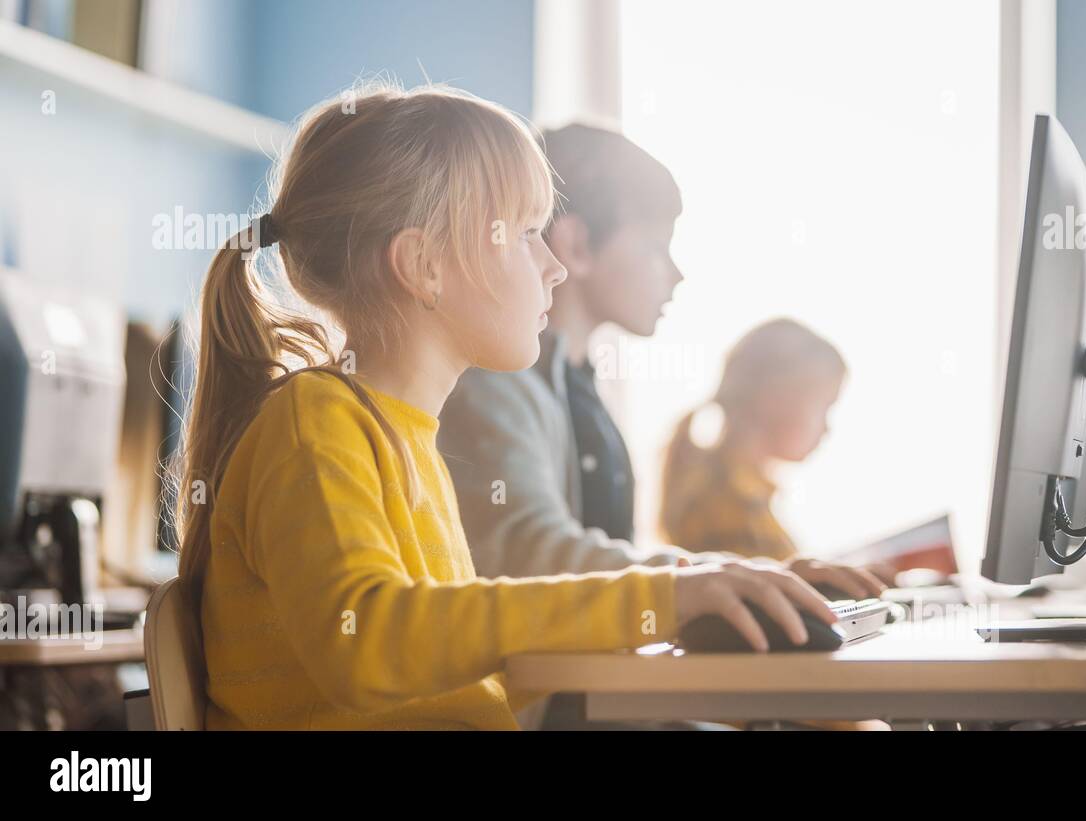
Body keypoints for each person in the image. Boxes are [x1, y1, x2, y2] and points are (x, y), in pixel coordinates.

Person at [175, 84, 834, 730]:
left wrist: (692, 593)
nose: (552, 265)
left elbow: (452, 674)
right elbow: (368, 641)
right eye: (523, 232)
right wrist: (656, 598)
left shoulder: (401, 433)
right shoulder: (316, 424)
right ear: (424, 265)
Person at [660, 319, 850, 562]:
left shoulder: (744, 496)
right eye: (824, 406)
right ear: (774, 398)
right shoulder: (725, 509)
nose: (826, 428)